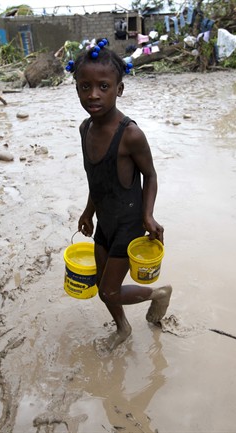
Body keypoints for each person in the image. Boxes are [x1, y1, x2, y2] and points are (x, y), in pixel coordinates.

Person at [67, 40, 172, 352]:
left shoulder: (130, 135)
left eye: (103, 86)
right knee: (102, 286)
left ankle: (158, 294)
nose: (93, 95)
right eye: (84, 86)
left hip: (129, 223)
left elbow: (150, 176)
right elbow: (97, 180)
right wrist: (88, 212)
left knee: (108, 291)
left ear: (119, 89)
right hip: (104, 220)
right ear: (76, 88)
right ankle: (122, 326)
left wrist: (148, 215)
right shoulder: (85, 129)